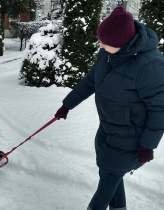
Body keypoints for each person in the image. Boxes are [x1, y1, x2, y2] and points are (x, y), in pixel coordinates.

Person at [55, 6, 164, 210]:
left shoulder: (150, 66)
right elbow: (90, 82)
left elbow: (160, 110)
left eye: (105, 42)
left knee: (109, 177)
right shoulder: (107, 55)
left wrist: (148, 145)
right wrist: (67, 105)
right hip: (108, 128)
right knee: (111, 173)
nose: (100, 44)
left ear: (122, 44)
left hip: (132, 137)